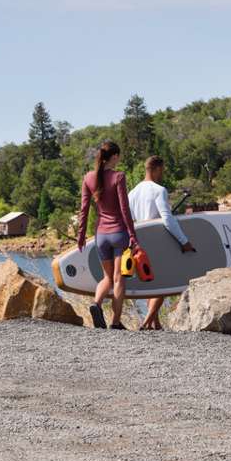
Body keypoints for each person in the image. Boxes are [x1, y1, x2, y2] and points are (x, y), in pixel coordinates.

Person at [77, 140, 139, 330]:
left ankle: (96, 304)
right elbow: (124, 208)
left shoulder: (88, 178)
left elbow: (84, 210)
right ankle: (116, 322)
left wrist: (80, 236)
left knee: (106, 278)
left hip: (101, 235)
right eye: (118, 156)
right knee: (119, 279)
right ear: (114, 157)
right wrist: (133, 235)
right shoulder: (118, 177)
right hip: (119, 233)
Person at [128, 155, 195, 330]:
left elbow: (130, 220)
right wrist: (184, 241)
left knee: (151, 281)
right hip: (159, 242)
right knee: (166, 281)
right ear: (157, 169)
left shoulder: (132, 193)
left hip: (140, 243)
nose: (162, 174)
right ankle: (146, 322)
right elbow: (168, 219)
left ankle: (155, 324)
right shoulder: (159, 190)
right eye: (162, 170)